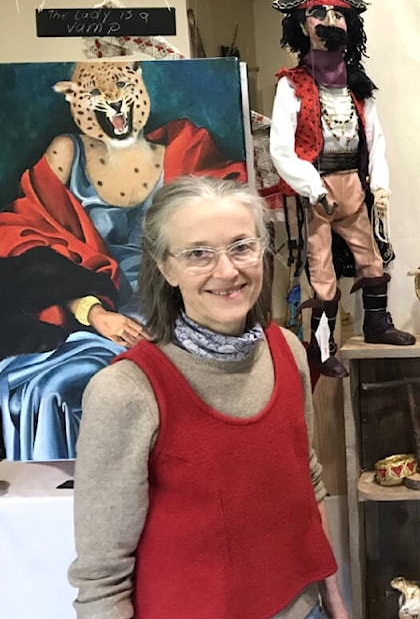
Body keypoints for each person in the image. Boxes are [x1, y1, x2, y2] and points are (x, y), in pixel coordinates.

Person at [68, 176, 349, 619]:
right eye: (198, 253)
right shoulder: (126, 392)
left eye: (242, 246)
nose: (227, 271)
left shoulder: (288, 353)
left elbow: (307, 482)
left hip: (304, 607)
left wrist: (333, 599)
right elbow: (102, 577)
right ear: (166, 268)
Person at [0, 60, 247, 460]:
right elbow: (29, 249)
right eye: (97, 94)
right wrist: (93, 312)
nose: (114, 101)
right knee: (53, 389)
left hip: (178, 317)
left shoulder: (185, 153)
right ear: (74, 101)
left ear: (139, 83)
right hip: (93, 319)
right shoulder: (67, 153)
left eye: (121, 86)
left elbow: (231, 235)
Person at [270, 0, 414, 382]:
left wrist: (380, 184)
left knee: (371, 258)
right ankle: (321, 347)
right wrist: (313, 189)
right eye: (319, 13)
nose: (329, 21)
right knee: (321, 271)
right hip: (316, 189)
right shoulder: (291, 86)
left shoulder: (358, 87)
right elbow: (281, 149)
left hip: (354, 184)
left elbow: (376, 140)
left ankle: (376, 324)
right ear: (302, 24)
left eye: (337, 13)